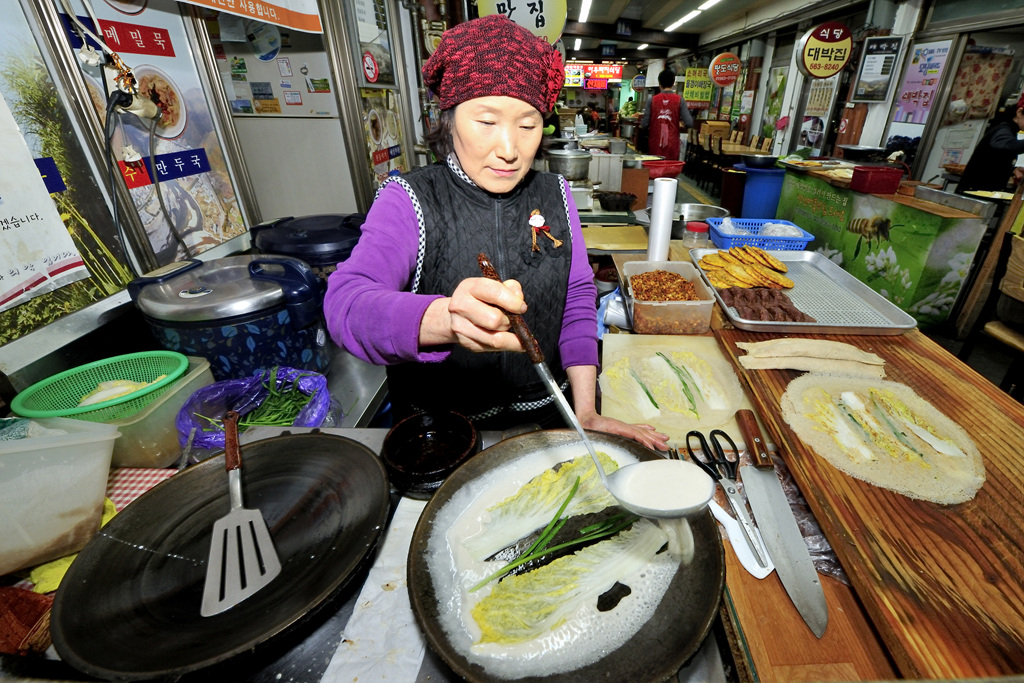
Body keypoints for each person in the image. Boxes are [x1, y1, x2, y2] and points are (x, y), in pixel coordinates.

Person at [324, 15, 668, 451]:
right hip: (442, 433)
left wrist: (584, 410)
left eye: (527, 125)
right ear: (448, 119)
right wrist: (444, 318)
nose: (509, 149)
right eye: (487, 121)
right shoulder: (408, 198)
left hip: (549, 418)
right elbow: (345, 304)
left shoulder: (555, 193)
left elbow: (577, 297)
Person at [957, 94, 1024, 194]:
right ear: (1019, 112)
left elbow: (995, 159)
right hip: (973, 193)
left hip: (982, 192)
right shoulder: (1004, 129)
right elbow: (1009, 146)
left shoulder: (1010, 130)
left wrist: (1013, 170)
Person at [640, 69, 695, 161]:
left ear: (659, 83)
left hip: (655, 143)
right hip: (672, 144)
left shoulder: (652, 100)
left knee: (655, 170)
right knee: (670, 171)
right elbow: (689, 123)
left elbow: (644, 124)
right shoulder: (679, 100)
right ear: (673, 83)